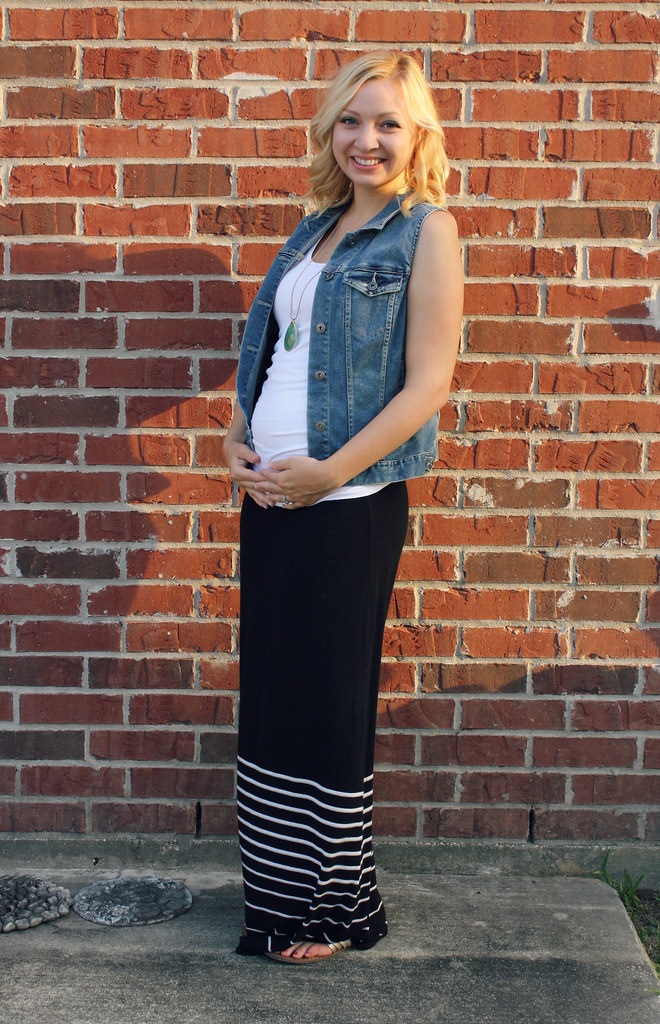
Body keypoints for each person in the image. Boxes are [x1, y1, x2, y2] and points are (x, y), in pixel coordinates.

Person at [224, 51, 463, 964]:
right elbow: (275, 349)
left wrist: (328, 474)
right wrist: (235, 434)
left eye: (389, 123)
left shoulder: (425, 232)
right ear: (331, 129)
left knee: (327, 701)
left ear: (419, 136)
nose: (368, 139)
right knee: (278, 697)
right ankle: (279, 898)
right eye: (353, 121)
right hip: (273, 497)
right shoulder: (312, 230)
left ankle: (332, 909)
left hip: (347, 500)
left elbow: (426, 386)